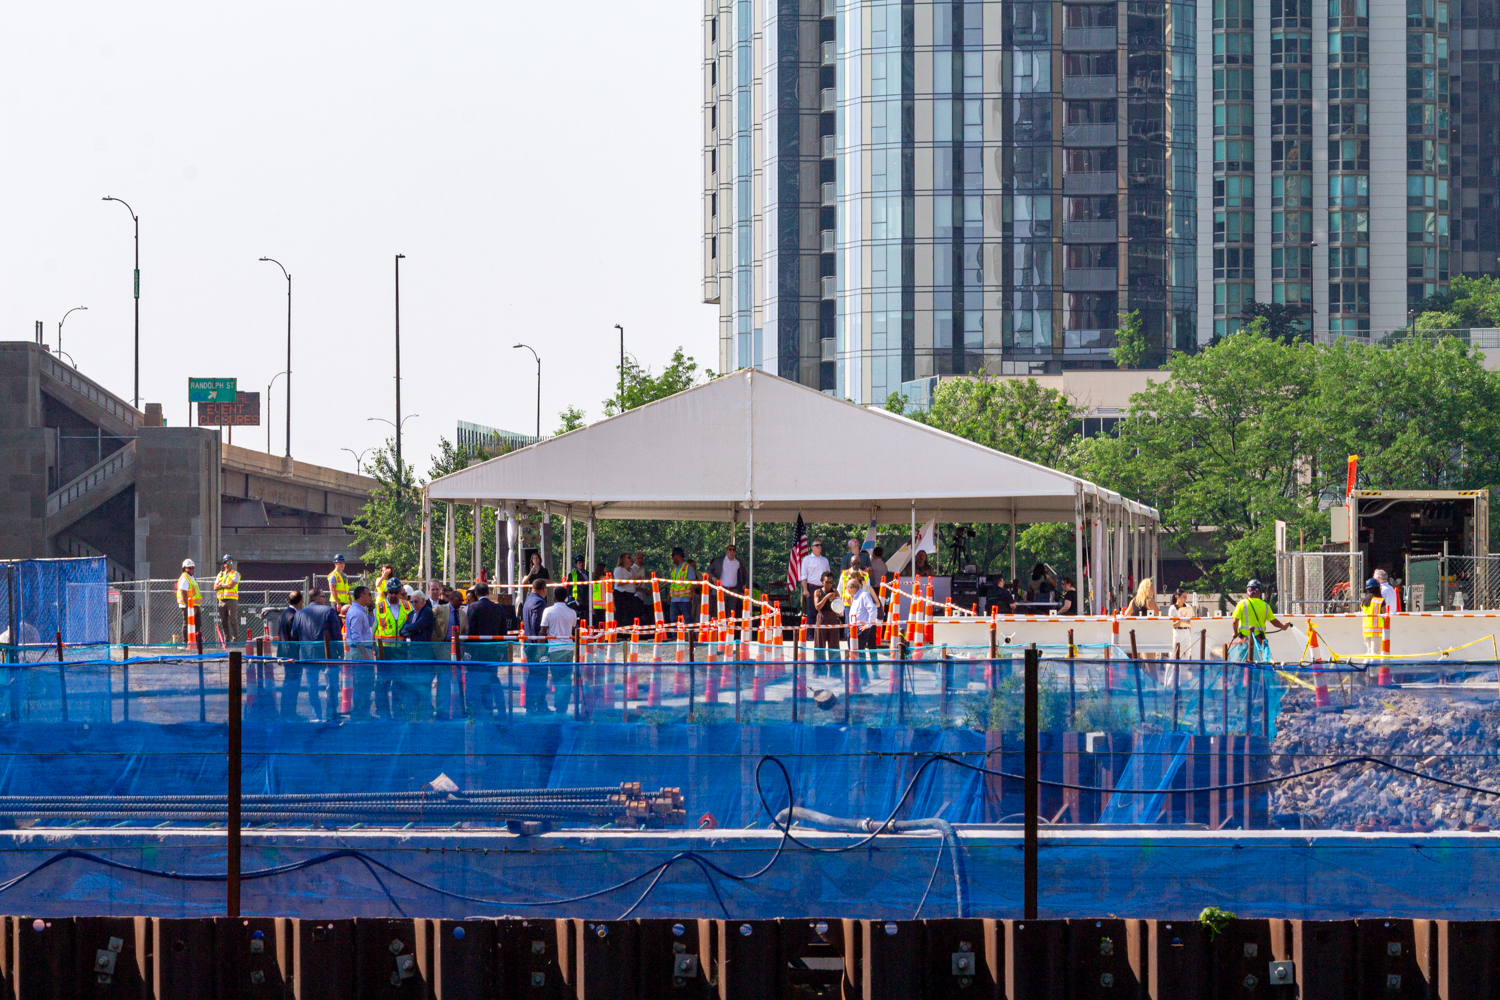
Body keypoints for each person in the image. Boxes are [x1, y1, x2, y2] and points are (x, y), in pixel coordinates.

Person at [290, 589, 341, 720]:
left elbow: (293, 635)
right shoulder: (328, 611)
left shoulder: (299, 614)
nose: (325, 599)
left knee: (312, 687)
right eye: (324, 596)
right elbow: (336, 634)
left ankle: (316, 715)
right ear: (319, 598)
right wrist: (340, 653)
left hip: (307, 656)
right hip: (328, 655)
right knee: (332, 684)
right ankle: (331, 713)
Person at [465, 583, 511, 716]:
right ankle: (499, 710)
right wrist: (502, 651)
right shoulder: (499, 609)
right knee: (492, 679)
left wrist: (468, 651)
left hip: (477, 652)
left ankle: (479, 710)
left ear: (476, 594)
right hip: (493, 651)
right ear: (488, 592)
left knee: (477, 681)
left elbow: (470, 631)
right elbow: (504, 632)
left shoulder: (473, 607)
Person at [372, 579, 412, 719]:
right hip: (384, 651)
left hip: (401, 650)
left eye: (396, 592)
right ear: (386, 592)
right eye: (391, 592)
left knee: (400, 681)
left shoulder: (408, 606)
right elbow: (373, 629)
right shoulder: (379, 607)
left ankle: (398, 710)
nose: (393, 595)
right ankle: (383, 712)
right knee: (383, 681)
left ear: (400, 592)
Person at [541, 585, 579, 715]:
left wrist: (540, 649)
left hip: (555, 650)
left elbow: (543, 631)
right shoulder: (572, 612)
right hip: (569, 649)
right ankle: (564, 705)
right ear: (566, 597)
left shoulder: (548, 611)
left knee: (557, 679)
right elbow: (573, 631)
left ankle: (559, 706)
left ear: (554, 597)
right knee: (567, 679)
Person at [1232, 579, 1290, 659]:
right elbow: (1275, 622)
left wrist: (1235, 633)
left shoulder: (1242, 603)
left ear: (1247, 592)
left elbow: (1235, 621)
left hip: (1244, 639)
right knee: (1257, 662)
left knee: (1243, 662)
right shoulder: (1265, 605)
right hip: (1259, 640)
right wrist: (1283, 626)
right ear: (1259, 593)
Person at [343, 586, 376, 720]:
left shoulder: (361, 611)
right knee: (362, 683)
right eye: (368, 594)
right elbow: (357, 637)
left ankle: (363, 712)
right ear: (361, 595)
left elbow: (369, 623)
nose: (370, 597)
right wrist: (366, 657)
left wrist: (371, 611)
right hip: (360, 651)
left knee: (366, 683)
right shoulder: (356, 612)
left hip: (363, 650)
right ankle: (359, 713)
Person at [520, 579, 550, 715]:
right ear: (543, 589)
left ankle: (532, 704)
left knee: (533, 675)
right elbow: (536, 624)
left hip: (529, 644)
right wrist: (540, 645)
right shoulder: (539, 602)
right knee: (540, 676)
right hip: (537, 646)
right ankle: (539, 705)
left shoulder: (528, 600)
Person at [847, 569, 880, 681]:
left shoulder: (864, 595)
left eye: (847, 587)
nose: (846, 590)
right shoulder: (856, 597)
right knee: (855, 652)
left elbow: (873, 609)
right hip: (854, 628)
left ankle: (864, 677)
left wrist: (868, 625)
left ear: (851, 588)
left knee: (859, 652)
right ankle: (859, 677)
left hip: (861, 628)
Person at [811, 571, 842, 675]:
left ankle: (835, 672)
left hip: (833, 618)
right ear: (822, 582)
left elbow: (839, 607)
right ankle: (819, 672)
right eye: (827, 582)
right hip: (822, 617)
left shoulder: (835, 592)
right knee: (820, 645)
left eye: (831, 582)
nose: (829, 584)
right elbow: (817, 607)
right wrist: (826, 597)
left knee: (834, 645)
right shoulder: (818, 592)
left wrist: (836, 601)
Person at [709, 544, 743, 618]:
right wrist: (713, 578)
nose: (731, 552)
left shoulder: (738, 562)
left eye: (733, 550)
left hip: (733, 590)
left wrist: (743, 586)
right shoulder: (719, 561)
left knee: (731, 613)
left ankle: (729, 629)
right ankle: (719, 629)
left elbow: (743, 574)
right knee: (720, 612)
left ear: (735, 552)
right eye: (729, 550)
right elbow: (708, 570)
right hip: (722, 590)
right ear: (726, 551)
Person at [214, 555, 242, 644]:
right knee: (224, 622)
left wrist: (221, 585)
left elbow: (231, 585)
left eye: (231, 562)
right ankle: (227, 640)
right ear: (224, 564)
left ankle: (235, 640)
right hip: (221, 601)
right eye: (228, 562)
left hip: (232, 600)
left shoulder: (235, 574)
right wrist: (223, 585)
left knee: (233, 620)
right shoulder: (220, 574)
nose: (230, 564)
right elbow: (215, 587)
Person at [799, 540, 830, 615]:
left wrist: (828, 590)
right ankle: (810, 627)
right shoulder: (807, 559)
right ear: (812, 547)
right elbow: (804, 575)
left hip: (823, 589)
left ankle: (819, 627)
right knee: (811, 613)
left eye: (820, 545)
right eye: (817, 545)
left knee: (823, 612)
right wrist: (805, 590)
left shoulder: (825, 560)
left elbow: (828, 576)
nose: (819, 546)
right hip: (811, 588)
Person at [668, 547, 698, 625]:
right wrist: (669, 595)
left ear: (677, 556)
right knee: (673, 620)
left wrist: (691, 593)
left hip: (685, 599)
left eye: (673, 556)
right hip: (674, 600)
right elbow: (673, 584)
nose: (672, 559)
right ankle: (675, 637)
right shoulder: (674, 569)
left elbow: (693, 582)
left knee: (688, 619)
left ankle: (691, 636)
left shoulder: (688, 568)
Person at [174, 558, 201, 643]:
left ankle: (195, 641)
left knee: (197, 623)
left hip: (194, 605)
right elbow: (184, 594)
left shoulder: (191, 578)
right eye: (189, 568)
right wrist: (191, 607)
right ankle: (186, 642)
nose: (191, 569)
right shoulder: (185, 578)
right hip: (187, 606)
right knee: (187, 623)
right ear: (184, 568)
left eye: (192, 568)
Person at [1362, 578, 1386, 657]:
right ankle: (1372, 670)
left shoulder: (1364, 602)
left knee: (1369, 653)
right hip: (1376, 631)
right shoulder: (1380, 601)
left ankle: (1363, 668)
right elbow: (1385, 614)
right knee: (1375, 654)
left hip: (1366, 631)